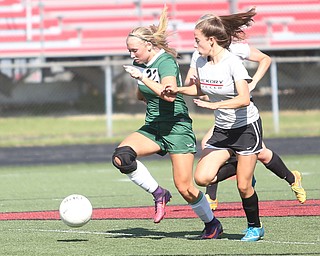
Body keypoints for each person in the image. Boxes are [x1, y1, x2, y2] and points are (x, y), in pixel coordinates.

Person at [112, 6, 222, 239]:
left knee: (186, 188)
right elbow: (143, 95)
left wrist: (142, 78)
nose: (132, 54)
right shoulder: (141, 65)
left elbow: (169, 94)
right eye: (129, 51)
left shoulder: (166, 62)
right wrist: (140, 84)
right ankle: (158, 193)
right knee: (122, 157)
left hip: (177, 128)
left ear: (149, 46)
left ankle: (212, 224)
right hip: (154, 127)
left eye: (134, 50)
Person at [185, 15, 306, 211]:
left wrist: (254, 82)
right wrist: (192, 87)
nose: (197, 41)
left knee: (263, 155)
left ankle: (292, 178)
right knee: (210, 145)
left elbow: (264, 59)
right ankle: (212, 196)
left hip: (239, 107)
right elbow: (192, 82)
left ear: (214, 34)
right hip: (221, 110)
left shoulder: (235, 51)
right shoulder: (199, 54)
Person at [164, 7, 265, 241]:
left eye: (197, 40)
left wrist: (215, 106)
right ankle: (241, 164)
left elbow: (244, 99)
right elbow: (199, 88)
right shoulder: (200, 59)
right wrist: (179, 89)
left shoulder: (233, 63)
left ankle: (255, 227)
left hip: (246, 128)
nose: (194, 44)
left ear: (211, 40)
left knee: (243, 186)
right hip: (223, 129)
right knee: (202, 178)